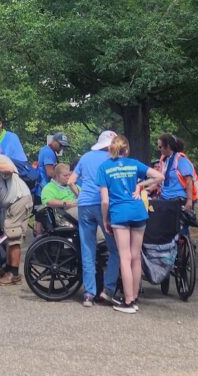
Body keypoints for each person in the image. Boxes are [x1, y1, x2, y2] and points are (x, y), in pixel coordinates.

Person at [97, 135, 164, 314]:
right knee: (136, 257)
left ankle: (127, 302)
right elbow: (159, 176)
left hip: (119, 214)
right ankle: (134, 296)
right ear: (126, 150)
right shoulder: (134, 164)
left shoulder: (104, 168)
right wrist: (141, 186)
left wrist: (105, 219)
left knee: (124, 257)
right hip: (138, 212)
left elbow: (104, 200)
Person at [67, 130, 121, 308]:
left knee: (87, 250)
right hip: (104, 205)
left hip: (85, 205)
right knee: (115, 249)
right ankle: (108, 288)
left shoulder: (86, 157)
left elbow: (70, 181)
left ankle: (88, 294)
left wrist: (80, 195)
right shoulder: (112, 159)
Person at [0, 143, 34, 286]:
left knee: (13, 234)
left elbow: (10, 169)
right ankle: (8, 267)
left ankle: (14, 273)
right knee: (8, 234)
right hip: (10, 204)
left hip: (19, 199)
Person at [156, 134, 196, 211]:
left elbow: (189, 181)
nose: (159, 149)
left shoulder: (180, 160)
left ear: (167, 146)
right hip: (165, 198)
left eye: (160, 147)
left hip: (177, 199)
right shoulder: (166, 160)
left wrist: (189, 200)